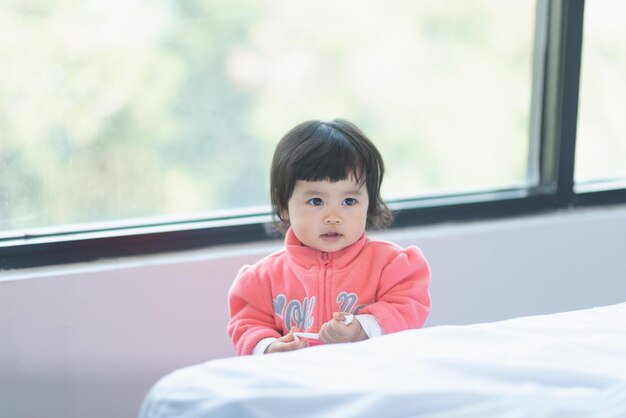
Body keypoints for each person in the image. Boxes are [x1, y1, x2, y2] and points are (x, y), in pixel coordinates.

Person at [227, 119, 431, 355]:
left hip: (371, 376)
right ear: (284, 205)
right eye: (316, 201)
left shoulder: (393, 266)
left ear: (369, 202)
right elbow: (246, 325)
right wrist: (269, 347)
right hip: (297, 381)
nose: (333, 217)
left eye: (349, 201)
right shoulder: (261, 280)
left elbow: (409, 309)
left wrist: (361, 328)